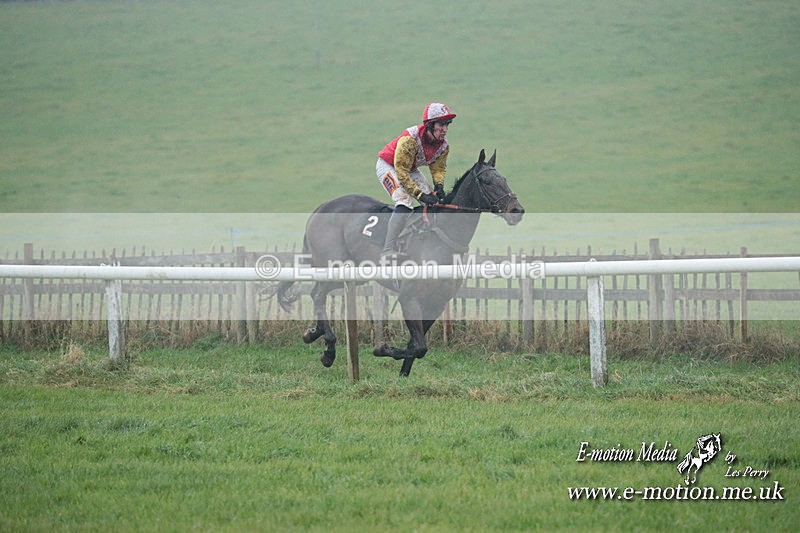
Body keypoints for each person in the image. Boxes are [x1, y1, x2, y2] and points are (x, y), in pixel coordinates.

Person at [376, 102, 456, 260]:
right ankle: (388, 249)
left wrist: (438, 186)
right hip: (389, 166)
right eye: (441, 124)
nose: (445, 129)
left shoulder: (443, 146)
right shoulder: (409, 140)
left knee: (434, 203)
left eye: (447, 124)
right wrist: (420, 195)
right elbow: (402, 174)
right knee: (404, 202)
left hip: (409, 168)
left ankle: (423, 235)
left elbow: (438, 168)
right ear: (430, 125)